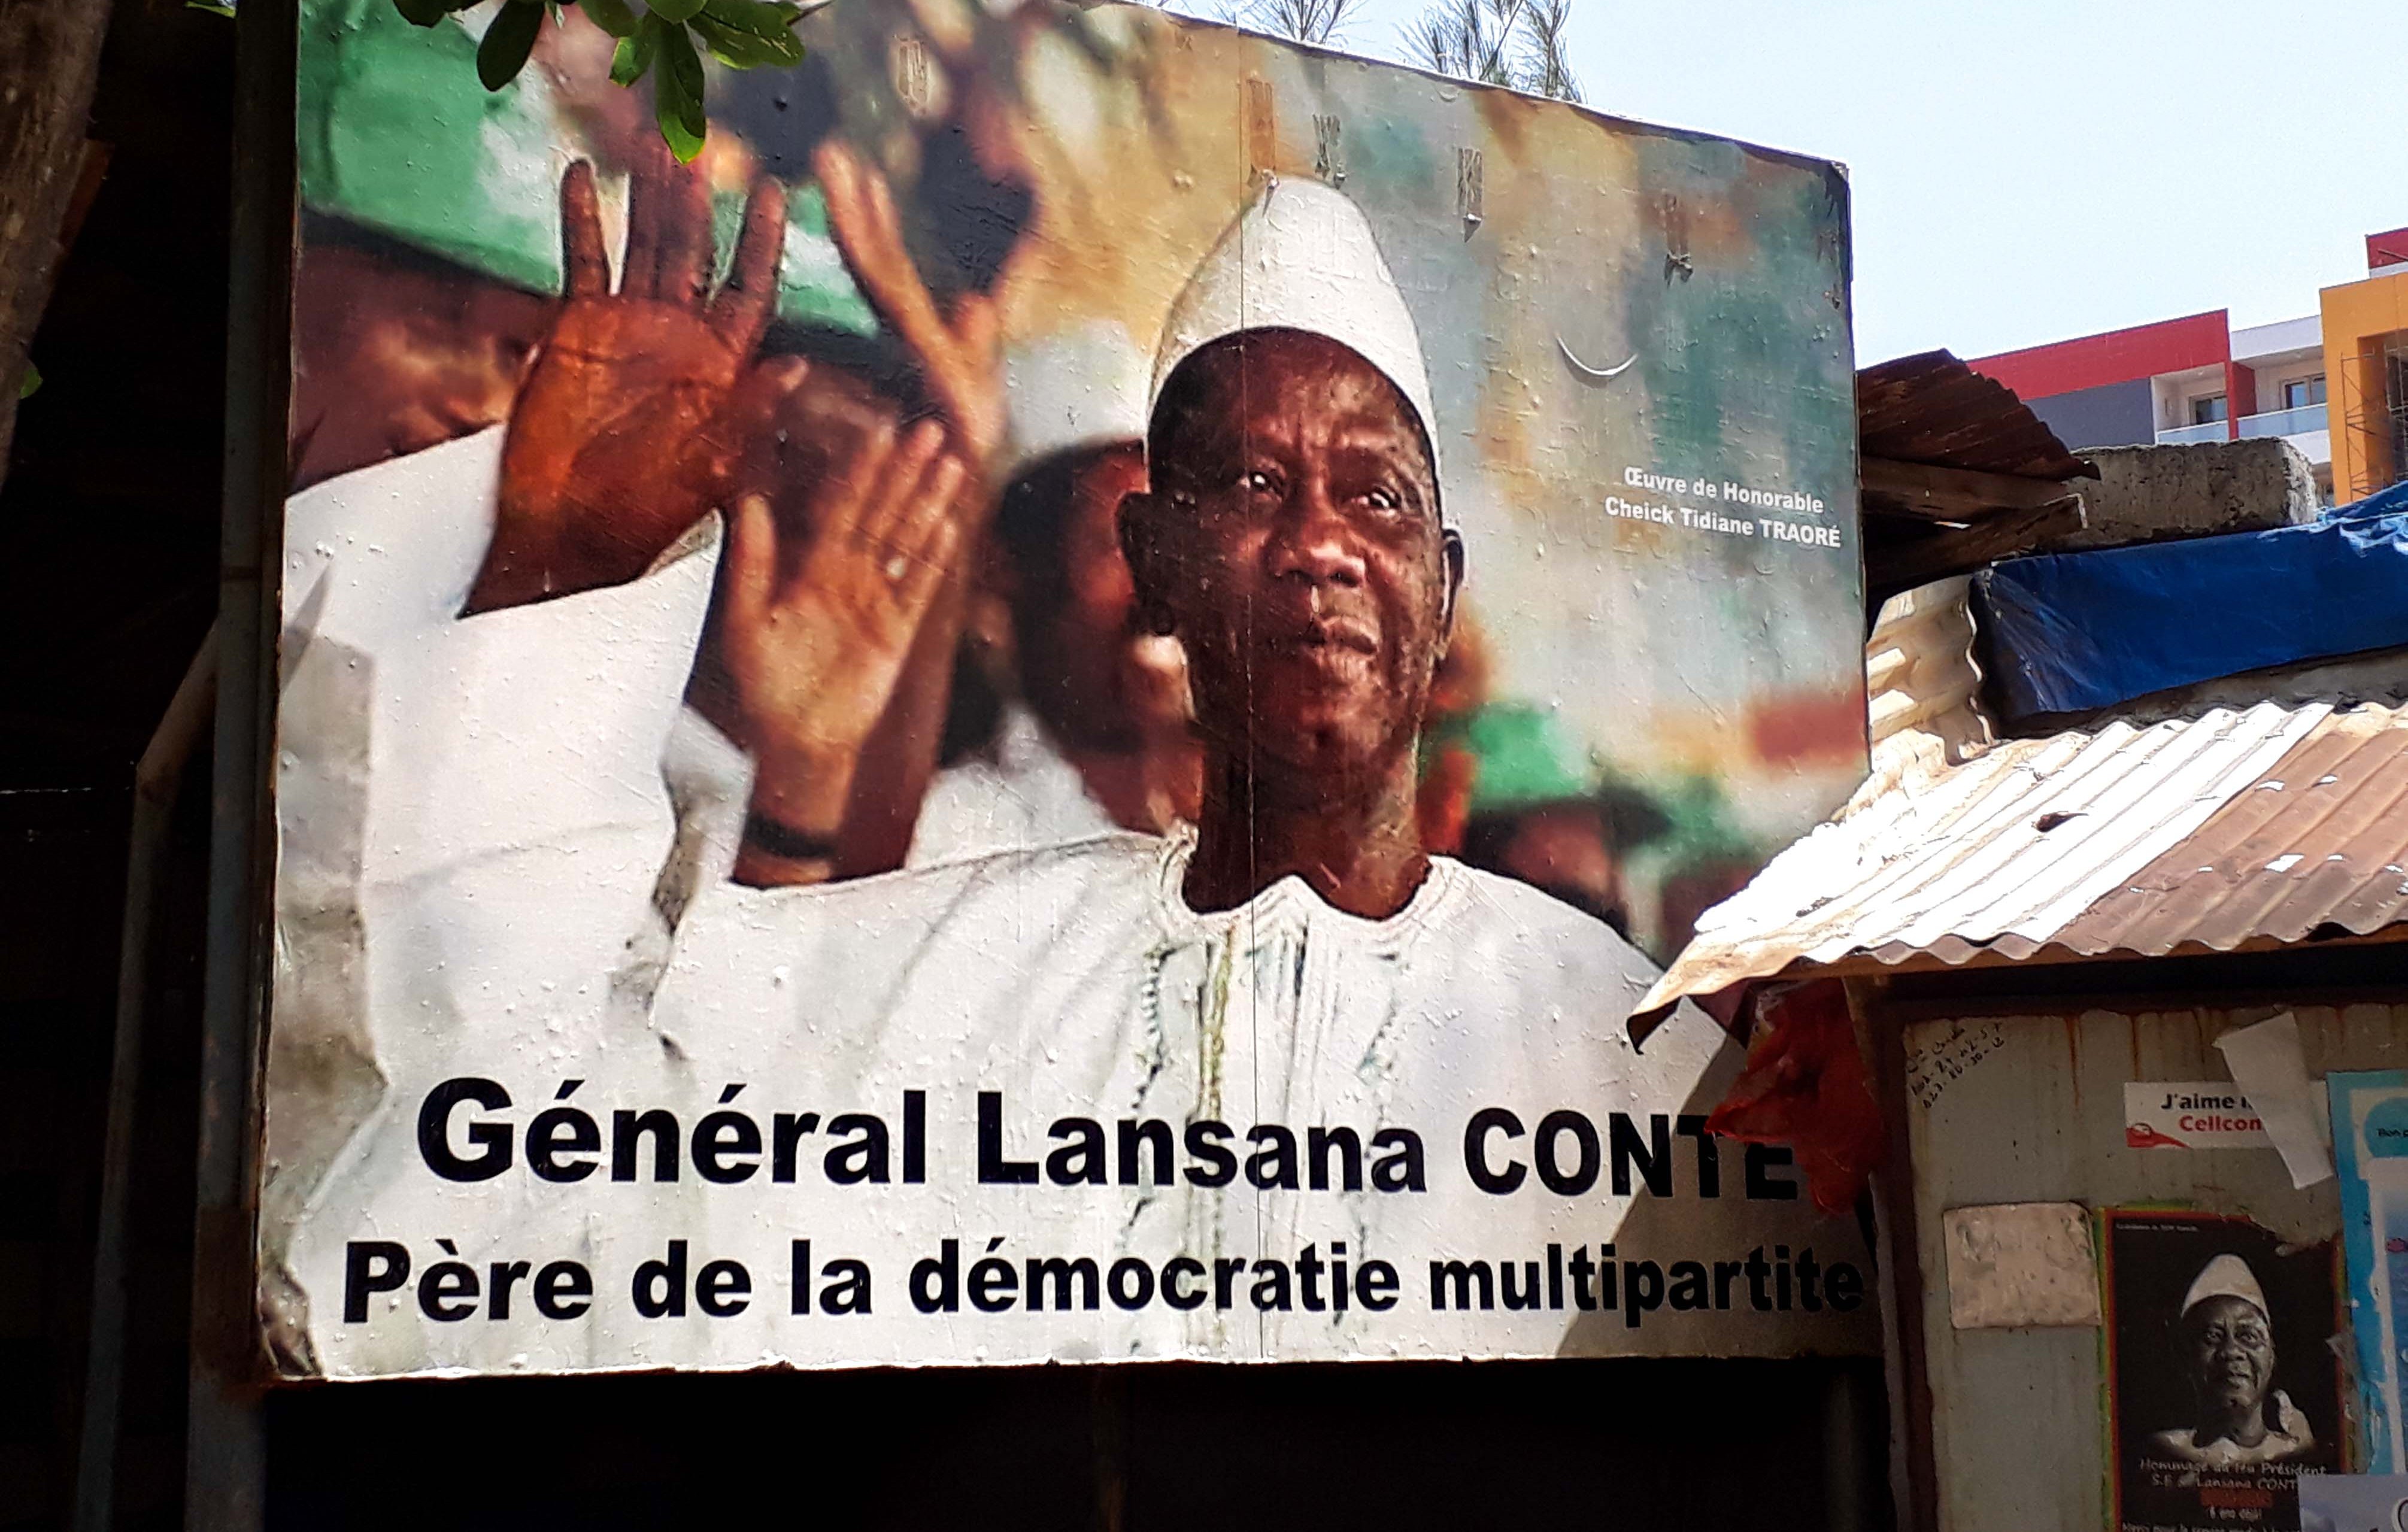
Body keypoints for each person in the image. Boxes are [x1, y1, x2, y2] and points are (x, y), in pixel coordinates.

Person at [274, 174, 1751, 1370]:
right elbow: (500, 1211)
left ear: (1438, 582)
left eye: (1371, 496)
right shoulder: (936, 966)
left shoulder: (1634, 1055)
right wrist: (564, 569)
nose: (1316, 543)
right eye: (1248, 485)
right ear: (1150, 561)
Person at [2148, 1254, 2316, 1466]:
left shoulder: (2297, 1454)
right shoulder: (2162, 1451)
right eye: (2213, 1336)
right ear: (2187, 1356)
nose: (2231, 1351)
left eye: (2248, 1336)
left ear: (2272, 1356)